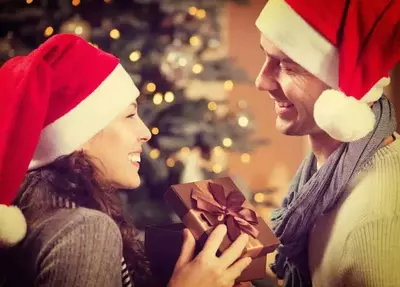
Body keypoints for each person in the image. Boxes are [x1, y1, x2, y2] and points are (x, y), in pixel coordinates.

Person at [0, 33, 253, 287]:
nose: (145, 132)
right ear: (80, 133)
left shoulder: (34, 212)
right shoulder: (86, 230)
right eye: (130, 115)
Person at [254, 0, 400, 286]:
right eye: (266, 57)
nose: (262, 81)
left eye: (288, 66)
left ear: (342, 95)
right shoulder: (327, 174)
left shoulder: (371, 231)